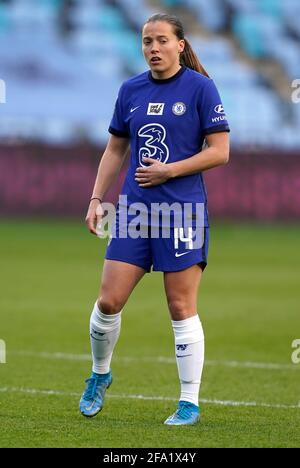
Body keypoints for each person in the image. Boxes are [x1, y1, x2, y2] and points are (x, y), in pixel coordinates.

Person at [79, 13, 230, 425]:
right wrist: (96, 198)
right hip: (134, 212)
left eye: (161, 40)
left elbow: (220, 151)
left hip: (182, 211)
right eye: (147, 41)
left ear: (180, 45)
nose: (153, 48)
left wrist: (170, 170)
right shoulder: (131, 90)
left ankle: (189, 402)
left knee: (181, 307)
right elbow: (115, 150)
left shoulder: (201, 88)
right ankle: (99, 374)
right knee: (108, 301)